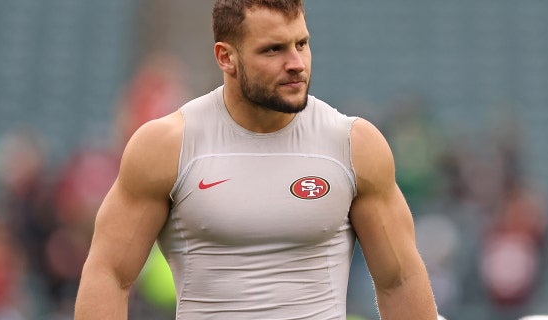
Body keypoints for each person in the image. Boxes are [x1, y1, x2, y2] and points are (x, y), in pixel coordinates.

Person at [75, 0, 438, 319]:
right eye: (273, 50)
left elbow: (400, 280)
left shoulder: (353, 144)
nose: (296, 63)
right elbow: (109, 274)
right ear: (225, 57)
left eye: (302, 43)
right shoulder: (167, 145)